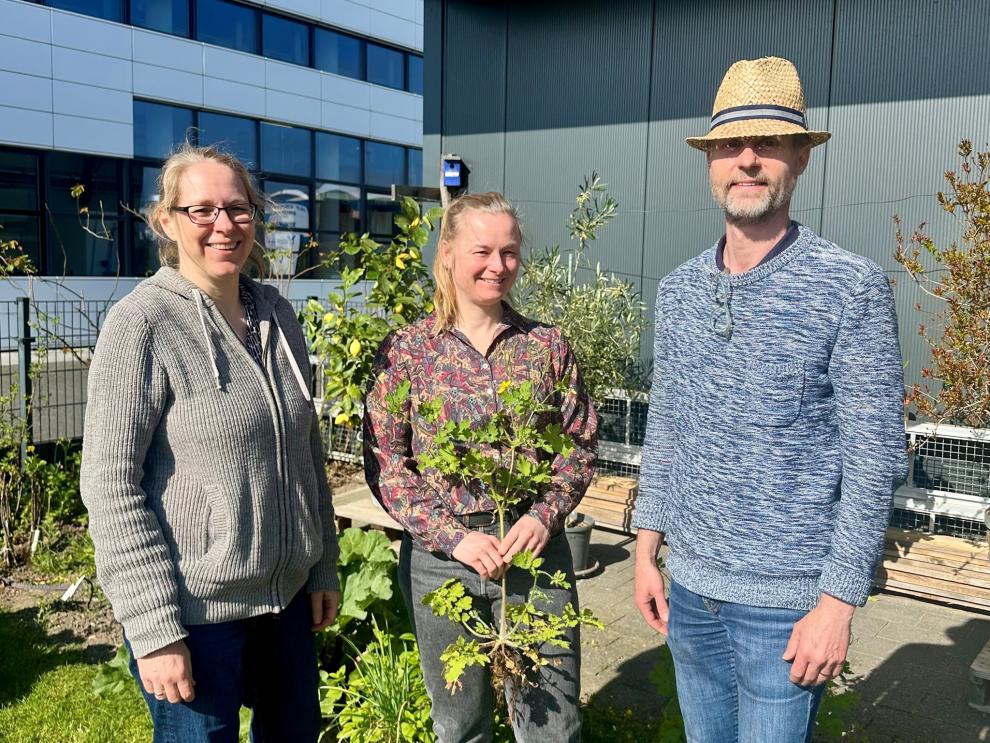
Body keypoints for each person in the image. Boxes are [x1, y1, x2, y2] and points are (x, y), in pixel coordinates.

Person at [632, 57, 907, 742]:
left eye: (770, 143)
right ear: (710, 162)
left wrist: (838, 602)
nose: (747, 159)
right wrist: (644, 548)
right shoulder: (678, 290)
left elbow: (874, 460)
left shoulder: (850, 287)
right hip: (689, 596)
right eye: (729, 145)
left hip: (788, 611)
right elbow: (666, 424)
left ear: (801, 159)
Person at [80, 143, 340, 742]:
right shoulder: (142, 325)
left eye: (238, 208)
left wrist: (322, 563)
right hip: (196, 618)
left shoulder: (277, 315)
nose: (223, 225)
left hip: (286, 605)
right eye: (202, 210)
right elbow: (110, 485)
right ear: (167, 221)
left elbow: (305, 452)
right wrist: (154, 630)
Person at [363, 192, 598, 742]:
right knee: (460, 724)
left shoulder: (546, 346)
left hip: (533, 550)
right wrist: (453, 538)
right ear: (447, 253)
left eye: (510, 252)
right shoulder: (408, 351)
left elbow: (580, 442)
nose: (498, 266)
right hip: (443, 563)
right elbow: (387, 464)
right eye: (482, 251)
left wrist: (544, 515)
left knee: (553, 723)